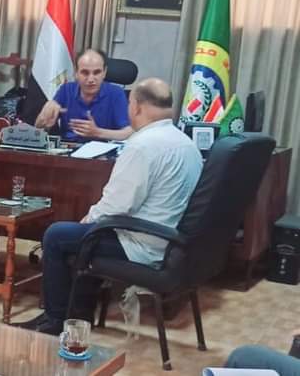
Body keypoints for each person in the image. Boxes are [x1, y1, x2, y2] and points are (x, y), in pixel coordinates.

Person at [16, 78, 202, 335]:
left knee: (57, 235)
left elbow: (118, 204)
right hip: (171, 243)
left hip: (141, 244)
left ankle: (55, 319)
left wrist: (88, 220)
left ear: (136, 106)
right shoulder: (187, 144)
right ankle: (79, 316)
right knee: (82, 236)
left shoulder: (142, 145)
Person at [34, 48, 133, 141]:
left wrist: (97, 132)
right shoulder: (66, 90)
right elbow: (38, 129)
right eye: (85, 73)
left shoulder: (116, 93)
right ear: (76, 73)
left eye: (97, 72)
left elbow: (129, 132)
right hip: (67, 148)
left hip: (102, 149)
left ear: (104, 72)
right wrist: (44, 115)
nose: (91, 79)